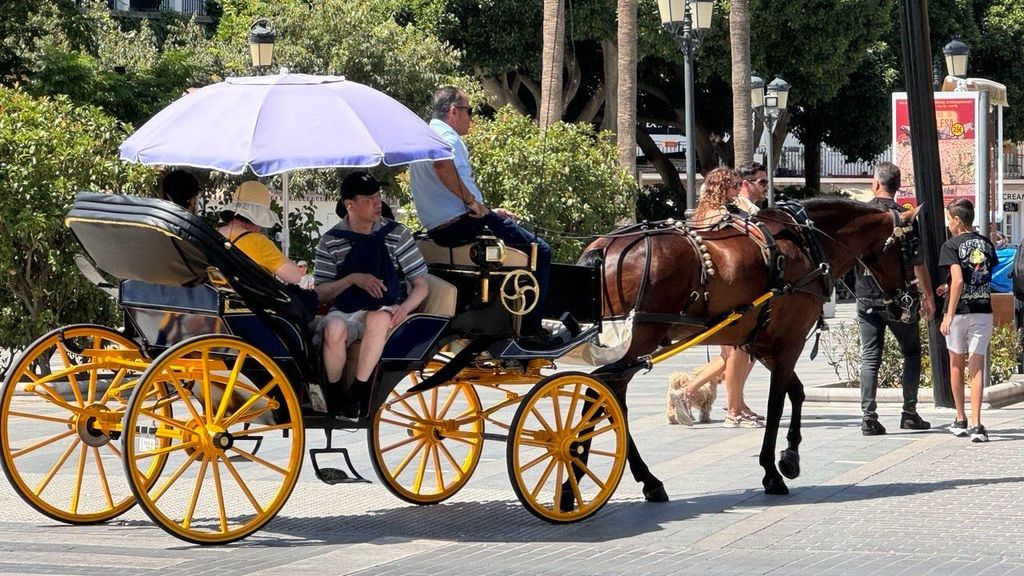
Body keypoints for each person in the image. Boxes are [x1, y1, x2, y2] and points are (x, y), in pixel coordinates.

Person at [409, 86, 554, 342]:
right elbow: (443, 167)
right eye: (469, 111)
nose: (471, 118)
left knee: (513, 234)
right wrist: (472, 203)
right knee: (540, 251)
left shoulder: (422, 137)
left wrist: (487, 210)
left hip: (439, 228)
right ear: (454, 111)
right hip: (462, 223)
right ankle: (531, 330)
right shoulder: (448, 138)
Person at [314, 171, 429, 419]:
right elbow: (321, 293)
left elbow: (421, 285)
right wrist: (353, 279)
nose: (378, 203)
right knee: (333, 327)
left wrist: (404, 309)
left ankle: (358, 392)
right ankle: (334, 396)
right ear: (349, 205)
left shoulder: (398, 234)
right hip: (345, 311)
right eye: (369, 199)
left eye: (378, 196)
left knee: (379, 318)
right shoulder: (331, 241)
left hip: (383, 310)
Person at [677, 168, 763, 427]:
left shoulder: (703, 214)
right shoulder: (724, 217)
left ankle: (729, 402)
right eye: (734, 186)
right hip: (727, 291)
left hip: (712, 293)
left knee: (732, 355)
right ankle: (729, 409)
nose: (738, 191)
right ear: (723, 189)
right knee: (737, 351)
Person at [857, 162, 935, 436]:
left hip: (866, 294)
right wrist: (927, 296)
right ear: (898, 186)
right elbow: (918, 262)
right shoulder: (905, 216)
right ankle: (909, 412)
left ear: (875, 184)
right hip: (902, 298)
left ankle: (869, 417)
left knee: (870, 357)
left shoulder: (862, 215)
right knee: (911, 352)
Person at [940, 199, 998, 442]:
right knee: (977, 366)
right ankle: (977, 424)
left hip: (960, 311)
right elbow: (980, 277)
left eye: (948, 219)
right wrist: (949, 286)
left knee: (956, 364)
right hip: (982, 308)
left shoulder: (951, 245)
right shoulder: (986, 244)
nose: (948, 224)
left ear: (956, 220)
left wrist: (948, 315)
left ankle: (960, 418)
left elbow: (959, 281)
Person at [218, 180, 305, 285]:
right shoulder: (258, 243)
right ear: (258, 217)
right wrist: (292, 265)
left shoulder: (215, 234)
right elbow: (294, 277)